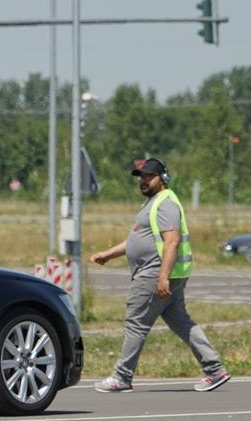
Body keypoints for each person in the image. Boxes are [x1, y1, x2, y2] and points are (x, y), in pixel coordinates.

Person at [90, 157, 230, 393]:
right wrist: (108, 254)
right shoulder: (154, 203)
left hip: (154, 273)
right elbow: (137, 240)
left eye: (149, 176)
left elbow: (172, 241)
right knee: (181, 322)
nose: (143, 181)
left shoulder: (165, 204)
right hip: (164, 273)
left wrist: (162, 277)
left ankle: (122, 377)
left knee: (136, 323)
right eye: (141, 177)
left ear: (162, 178)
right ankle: (215, 369)